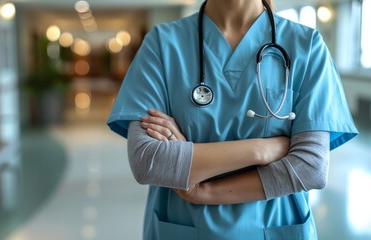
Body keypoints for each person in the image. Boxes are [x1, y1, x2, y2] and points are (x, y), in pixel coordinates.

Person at [107, 0, 358, 239]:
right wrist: (263, 149)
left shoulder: (307, 46)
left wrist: (204, 191)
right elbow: (148, 161)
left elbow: (310, 167)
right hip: (184, 227)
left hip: (275, 226)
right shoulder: (162, 44)